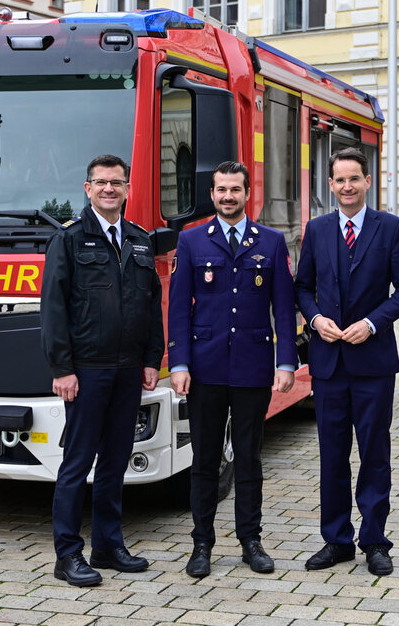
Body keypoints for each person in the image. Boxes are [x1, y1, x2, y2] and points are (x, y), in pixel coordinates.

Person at [167, 161, 297, 578]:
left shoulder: (272, 243)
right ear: (212, 194)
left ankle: (250, 541)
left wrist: (286, 362)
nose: (228, 196)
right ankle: (201, 543)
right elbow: (180, 310)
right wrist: (179, 362)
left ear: (247, 195)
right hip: (203, 371)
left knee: (248, 460)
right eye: (221, 190)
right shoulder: (190, 242)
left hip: (252, 370)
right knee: (204, 461)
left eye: (235, 190)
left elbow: (284, 306)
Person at [41, 154, 164, 587]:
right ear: (87, 188)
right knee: (77, 462)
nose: (110, 189)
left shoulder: (139, 239)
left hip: (129, 370)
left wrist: (153, 359)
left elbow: (151, 308)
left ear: (128, 189)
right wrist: (62, 368)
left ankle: (109, 545)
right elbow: (53, 308)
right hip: (87, 371)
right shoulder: (71, 240)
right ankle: (67, 554)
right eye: (101, 182)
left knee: (115, 462)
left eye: (117, 182)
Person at [294, 147, 399, 576]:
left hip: (373, 363)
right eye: (339, 180)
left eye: (354, 179)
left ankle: (375, 541)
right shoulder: (317, 229)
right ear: (330, 185)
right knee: (332, 456)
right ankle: (337, 540)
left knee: (374, 454)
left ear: (368, 182)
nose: (347, 186)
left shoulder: (391, 228)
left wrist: (372, 322)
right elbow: (302, 287)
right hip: (328, 363)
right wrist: (314, 318)